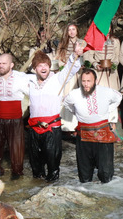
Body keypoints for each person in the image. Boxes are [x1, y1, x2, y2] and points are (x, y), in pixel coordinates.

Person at [24, 41, 85, 182]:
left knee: (53, 163)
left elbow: (71, 67)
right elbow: (12, 75)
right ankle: (36, 191)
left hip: (52, 128)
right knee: (36, 166)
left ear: (50, 67)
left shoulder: (58, 79)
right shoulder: (29, 80)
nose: (43, 68)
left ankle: (52, 191)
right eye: (40, 66)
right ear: (35, 68)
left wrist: (75, 54)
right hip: (34, 129)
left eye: (46, 65)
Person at [62, 69, 123, 183]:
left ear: (95, 80)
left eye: (89, 81)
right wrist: (76, 113)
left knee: (106, 174)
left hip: (103, 135)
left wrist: (108, 110)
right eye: (83, 81)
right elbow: (66, 102)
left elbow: (118, 97)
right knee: (84, 175)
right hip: (83, 136)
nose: (86, 84)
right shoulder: (74, 94)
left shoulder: (106, 91)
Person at [0, 53, 29, 179]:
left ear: (11, 65)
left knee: (16, 149)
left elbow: (32, 92)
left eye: (4, 63)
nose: (1, 66)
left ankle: (17, 174)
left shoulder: (20, 78)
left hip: (14, 119)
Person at [82, 29, 122, 125]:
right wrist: (95, 64)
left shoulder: (115, 41)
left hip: (111, 74)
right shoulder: (94, 39)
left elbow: (117, 56)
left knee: (112, 99)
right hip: (98, 74)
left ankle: (112, 124)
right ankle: (98, 123)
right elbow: (88, 56)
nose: (107, 29)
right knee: (99, 98)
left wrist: (114, 64)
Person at [51, 24, 83, 134]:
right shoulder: (62, 43)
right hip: (65, 74)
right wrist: (63, 65)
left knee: (76, 98)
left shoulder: (83, 43)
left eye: (73, 29)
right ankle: (65, 125)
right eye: (69, 30)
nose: (71, 32)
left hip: (77, 75)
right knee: (65, 98)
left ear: (77, 30)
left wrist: (81, 64)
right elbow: (57, 58)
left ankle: (76, 125)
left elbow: (86, 57)